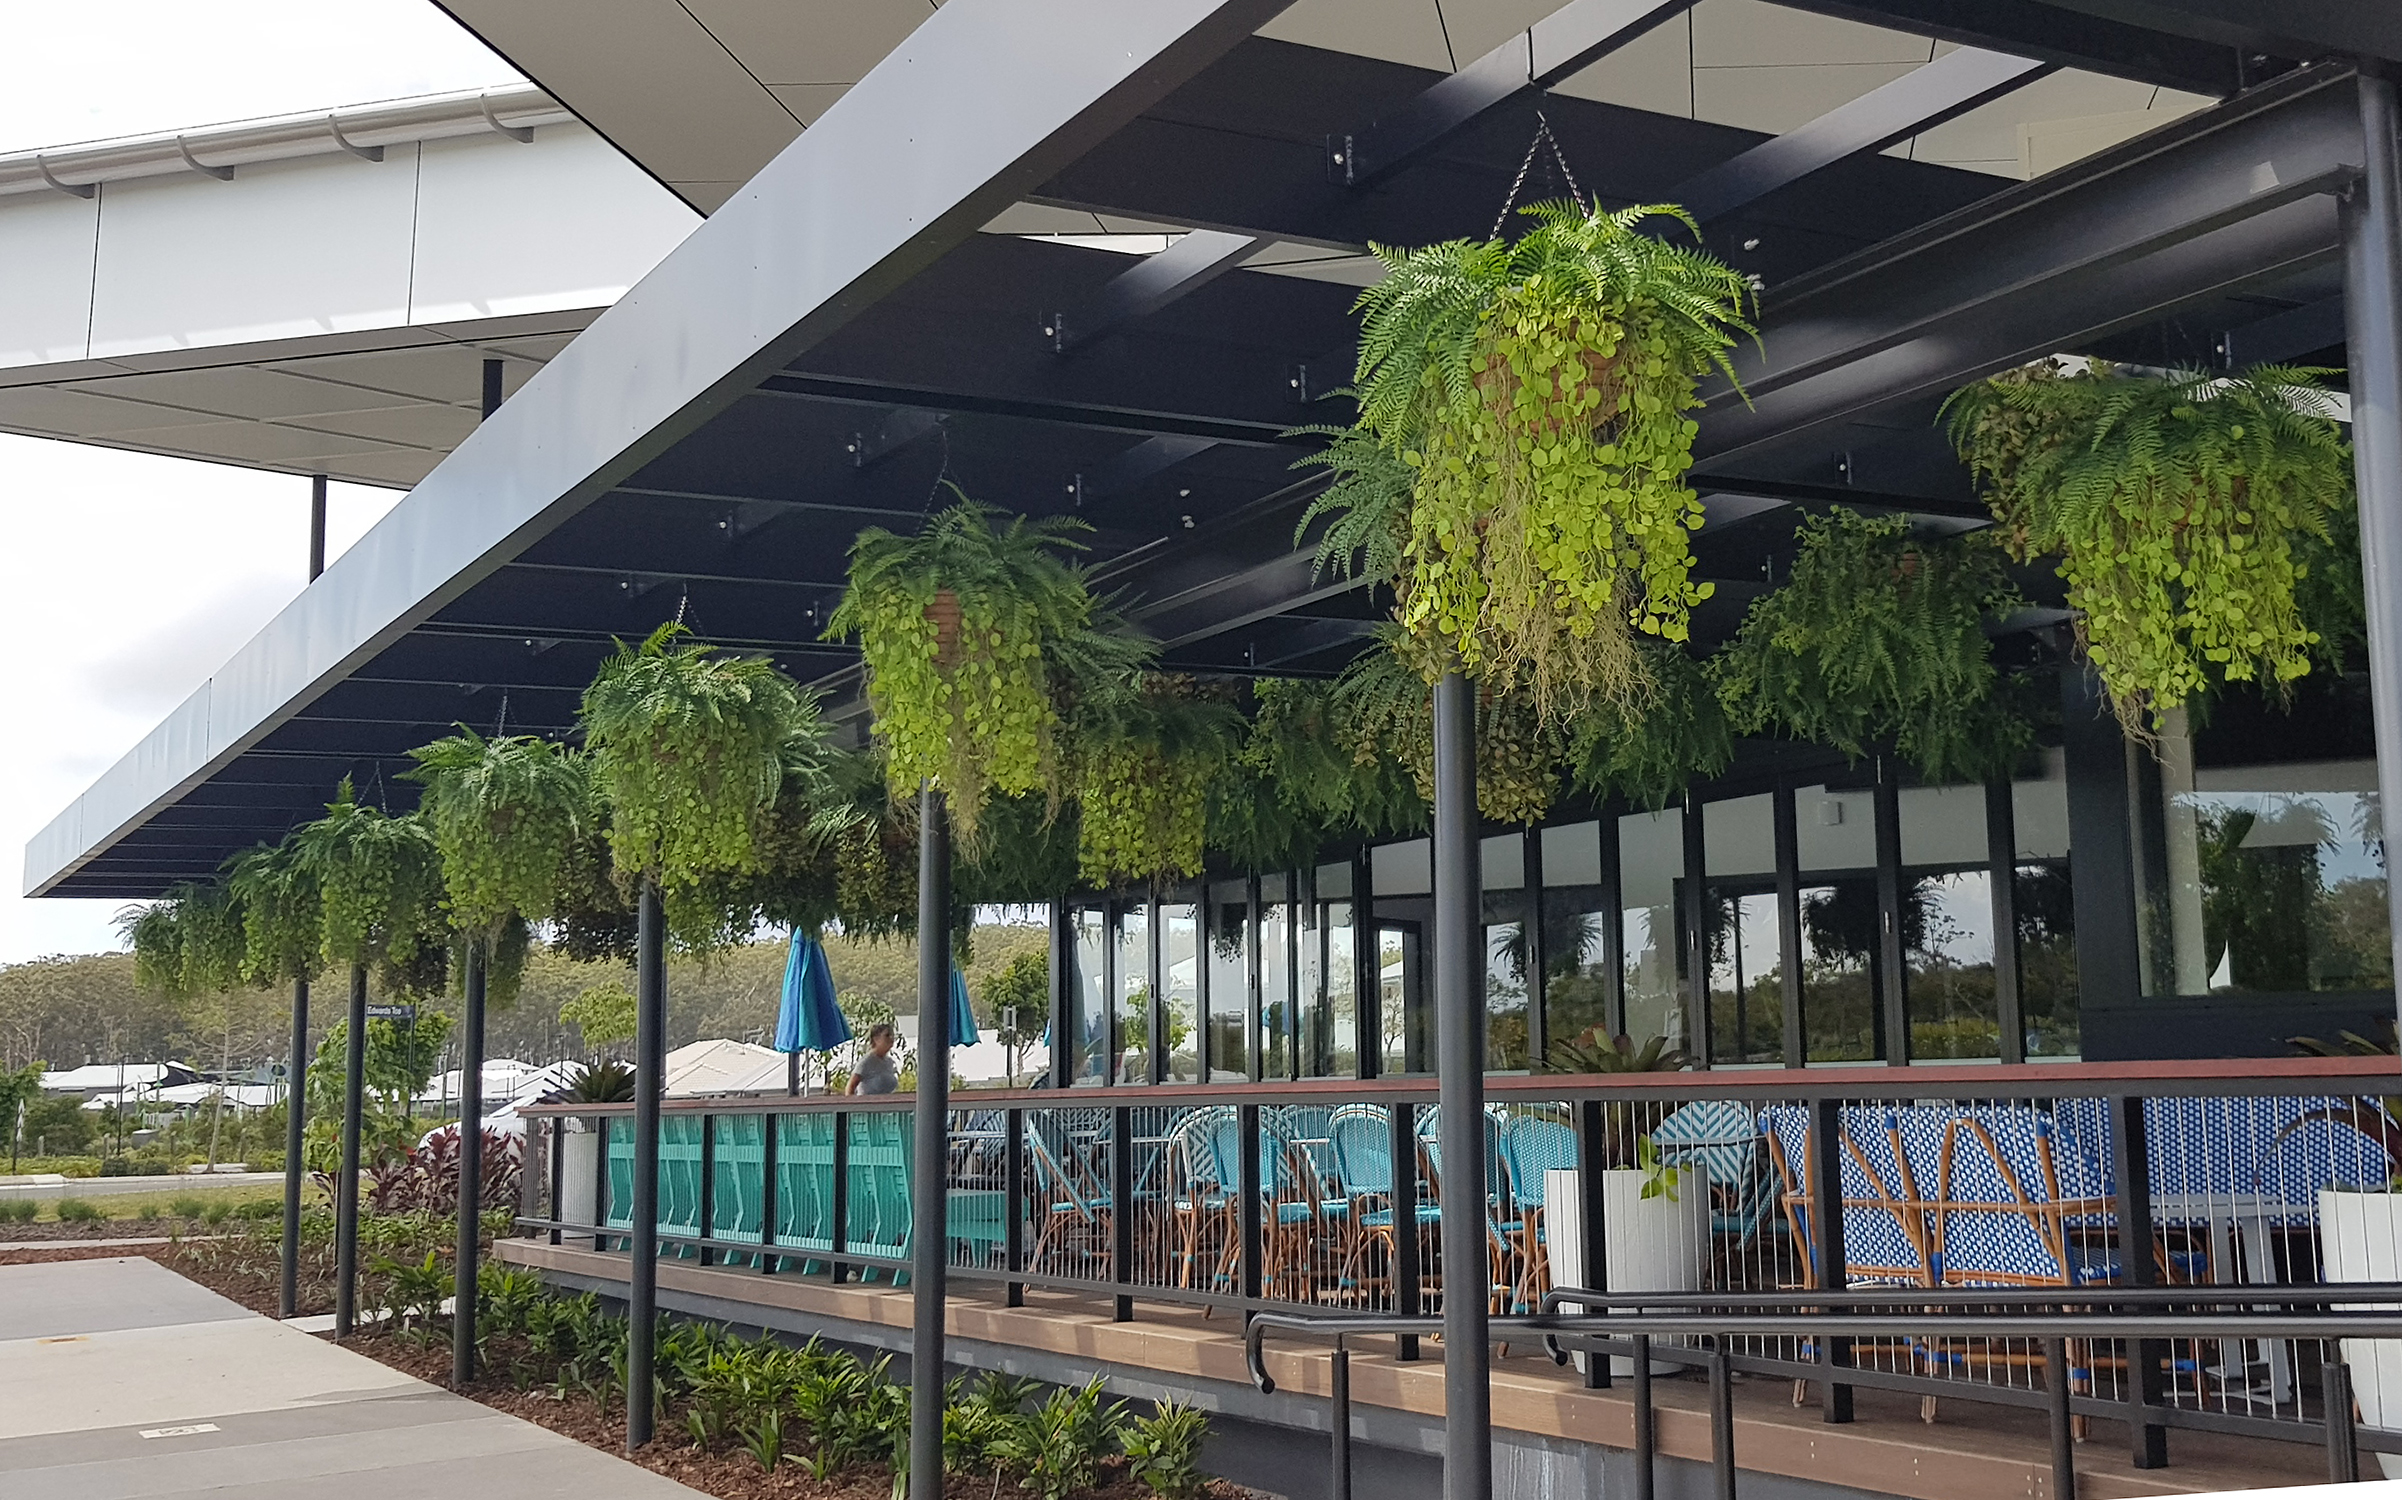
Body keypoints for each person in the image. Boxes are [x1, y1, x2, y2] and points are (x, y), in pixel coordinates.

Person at [848, 1023, 899, 1096]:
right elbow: (850, 1087)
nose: (891, 1038)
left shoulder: (889, 1062)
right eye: (887, 1035)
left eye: (892, 1035)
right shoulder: (866, 1061)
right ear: (876, 1039)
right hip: (868, 1104)